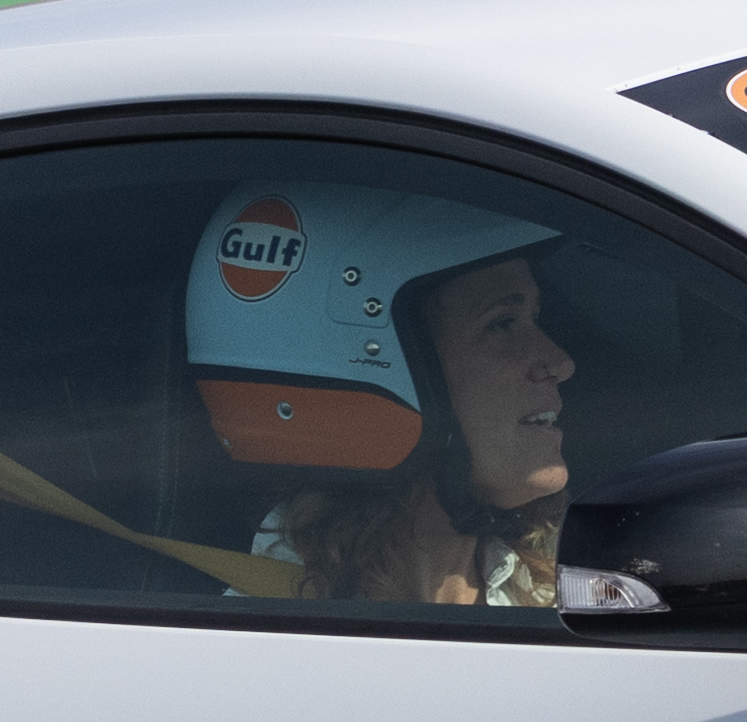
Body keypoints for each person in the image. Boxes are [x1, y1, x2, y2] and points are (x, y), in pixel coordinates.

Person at [181, 176, 579, 607]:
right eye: (501, 324)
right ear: (369, 363)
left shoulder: (566, 592)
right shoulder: (252, 648)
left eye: (533, 320)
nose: (560, 363)